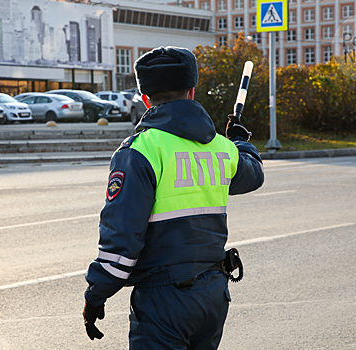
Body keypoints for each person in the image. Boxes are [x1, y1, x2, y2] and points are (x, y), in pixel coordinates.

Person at [83, 46, 265, 349]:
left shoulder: (141, 150)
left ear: (145, 100)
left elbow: (122, 241)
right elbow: (253, 175)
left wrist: (96, 295)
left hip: (164, 300)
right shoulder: (222, 148)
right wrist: (240, 142)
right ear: (191, 92)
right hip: (214, 297)